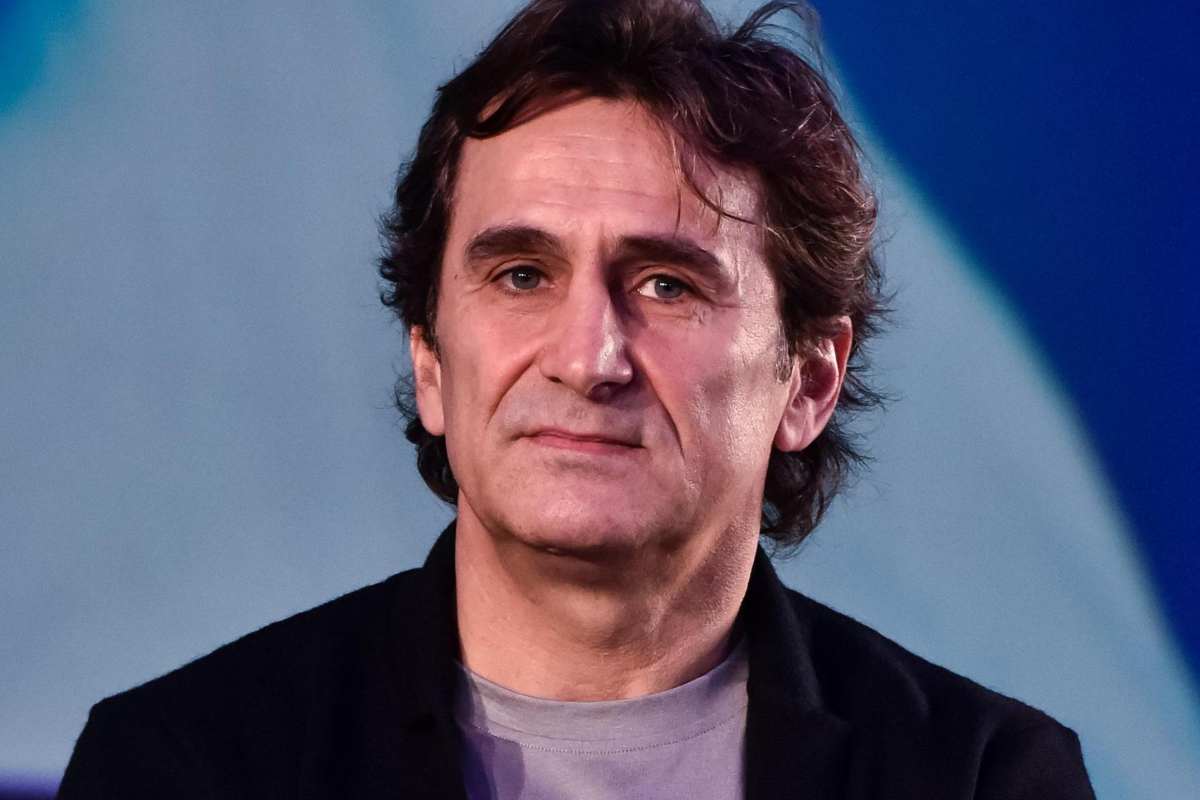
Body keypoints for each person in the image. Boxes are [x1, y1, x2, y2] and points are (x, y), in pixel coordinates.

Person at [59, 0, 1096, 797]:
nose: (589, 356)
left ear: (809, 378)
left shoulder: (981, 778)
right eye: (521, 275)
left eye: (667, 285)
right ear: (430, 362)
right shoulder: (188, 764)